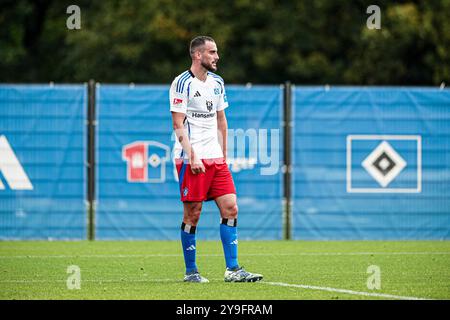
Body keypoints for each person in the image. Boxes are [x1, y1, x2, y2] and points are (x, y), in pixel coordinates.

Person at [169, 36, 263, 283]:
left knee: (231, 207)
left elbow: (221, 120)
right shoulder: (182, 84)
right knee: (193, 214)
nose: (217, 56)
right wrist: (192, 155)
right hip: (191, 160)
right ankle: (191, 272)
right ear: (197, 55)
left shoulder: (218, 83)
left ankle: (233, 270)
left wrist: (224, 155)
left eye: (216, 52)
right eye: (212, 52)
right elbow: (178, 124)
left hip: (216, 160)